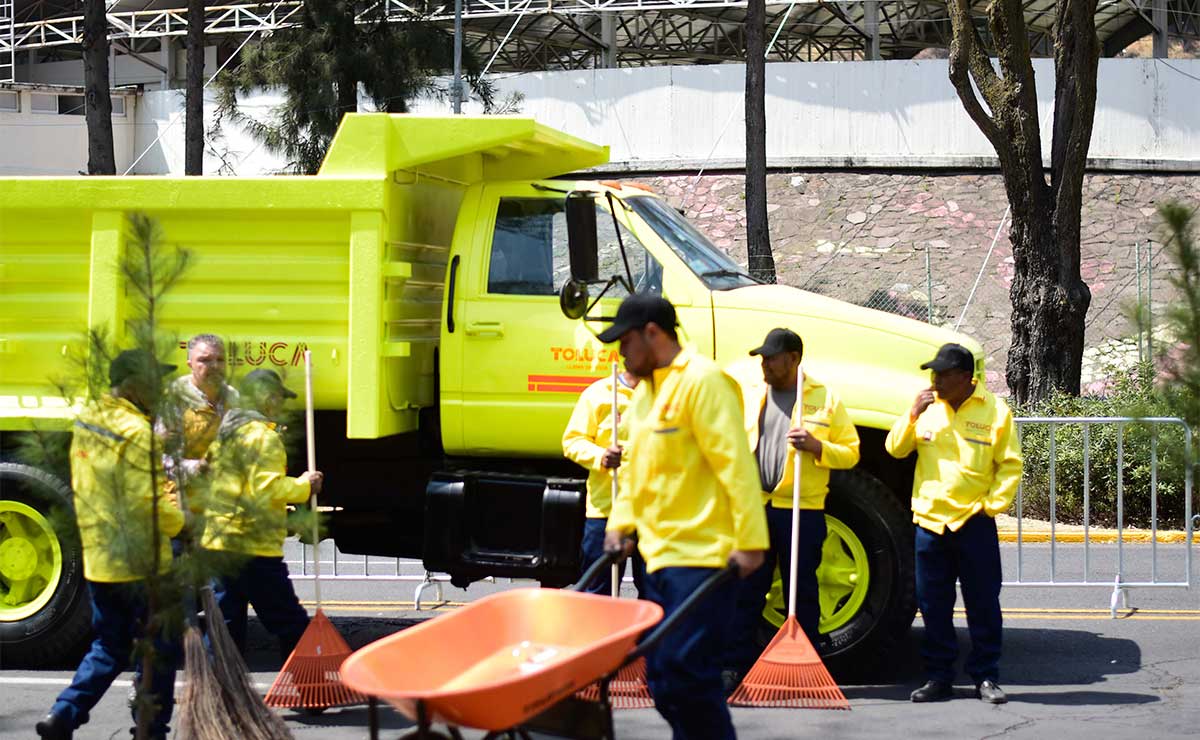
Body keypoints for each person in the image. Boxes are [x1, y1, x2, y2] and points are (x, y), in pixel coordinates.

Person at [599, 293, 768, 740]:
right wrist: (619, 525)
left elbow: (736, 464)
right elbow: (635, 471)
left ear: (653, 333)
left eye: (626, 341)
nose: (621, 353)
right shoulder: (647, 394)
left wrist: (751, 540)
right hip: (658, 559)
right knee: (664, 682)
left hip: (704, 557)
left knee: (689, 677)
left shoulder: (703, 381)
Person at [37, 350, 185, 740]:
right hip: (142, 564)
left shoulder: (88, 419)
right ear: (134, 384)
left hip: (100, 559)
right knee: (160, 649)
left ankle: (64, 714)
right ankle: (150, 730)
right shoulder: (136, 433)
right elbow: (147, 503)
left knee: (109, 645)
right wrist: (181, 523)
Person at [884, 343, 1022, 704]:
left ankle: (986, 677)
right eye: (933, 373)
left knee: (983, 604)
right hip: (930, 523)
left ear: (966, 378)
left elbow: (1009, 465)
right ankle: (938, 678)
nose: (935, 380)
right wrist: (911, 414)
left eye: (943, 374)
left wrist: (991, 506)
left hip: (973, 522)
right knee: (933, 606)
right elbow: (895, 449)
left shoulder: (995, 411)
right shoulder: (927, 410)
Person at [725, 328, 860, 680]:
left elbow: (851, 453)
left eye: (771, 357)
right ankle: (736, 666)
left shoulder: (823, 398)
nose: (765, 364)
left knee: (802, 591)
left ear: (794, 358)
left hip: (802, 510)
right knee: (746, 590)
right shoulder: (752, 393)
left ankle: (806, 669)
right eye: (762, 358)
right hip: (756, 507)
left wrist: (818, 447)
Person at [199, 368, 323, 660]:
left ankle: (217, 693)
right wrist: (305, 485)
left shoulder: (227, 432)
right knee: (290, 622)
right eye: (279, 398)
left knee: (225, 627)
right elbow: (267, 489)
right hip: (252, 546)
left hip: (220, 543)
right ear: (267, 399)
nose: (281, 405)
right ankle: (309, 687)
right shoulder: (264, 438)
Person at [562, 369, 645, 595]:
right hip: (606, 507)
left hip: (651, 513)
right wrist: (601, 456)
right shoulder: (599, 393)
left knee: (655, 594)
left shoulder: (663, 394)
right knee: (599, 591)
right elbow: (572, 441)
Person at [159, 334, 238, 516]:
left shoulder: (233, 398)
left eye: (220, 360)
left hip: (222, 510)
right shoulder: (174, 399)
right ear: (190, 364)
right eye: (205, 360)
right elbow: (161, 459)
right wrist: (198, 467)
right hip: (182, 510)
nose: (215, 366)